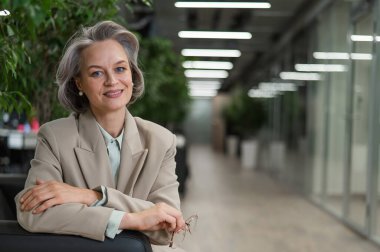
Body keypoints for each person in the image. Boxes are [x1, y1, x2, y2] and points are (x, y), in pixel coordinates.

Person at [15, 20, 186, 251]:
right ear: (79, 84)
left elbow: (167, 225)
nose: (112, 81)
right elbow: (32, 214)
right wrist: (132, 219)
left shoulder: (161, 140)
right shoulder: (55, 136)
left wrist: (90, 196)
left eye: (120, 68)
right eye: (96, 73)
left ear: (132, 75)